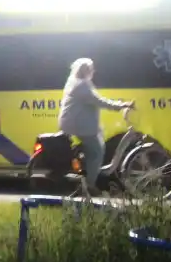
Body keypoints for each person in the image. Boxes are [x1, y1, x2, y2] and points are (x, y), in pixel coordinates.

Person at [58, 57, 135, 195]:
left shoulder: (79, 82)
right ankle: (89, 185)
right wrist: (121, 105)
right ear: (86, 70)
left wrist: (119, 104)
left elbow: (96, 99)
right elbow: (99, 101)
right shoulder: (81, 85)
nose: (93, 71)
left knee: (97, 141)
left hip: (76, 122)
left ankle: (87, 173)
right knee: (97, 151)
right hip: (77, 124)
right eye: (91, 69)